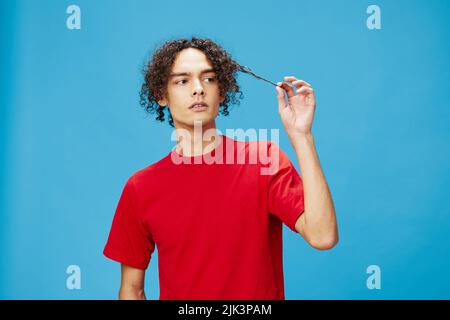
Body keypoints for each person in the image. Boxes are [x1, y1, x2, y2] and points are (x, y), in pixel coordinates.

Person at [103, 37, 338, 300]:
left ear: (222, 90)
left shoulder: (263, 161)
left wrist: (301, 135)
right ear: (161, 95)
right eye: (182, 81)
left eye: (209, 79)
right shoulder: (141, 188)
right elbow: (132, 290)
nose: (198, 89)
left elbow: (322, 236)